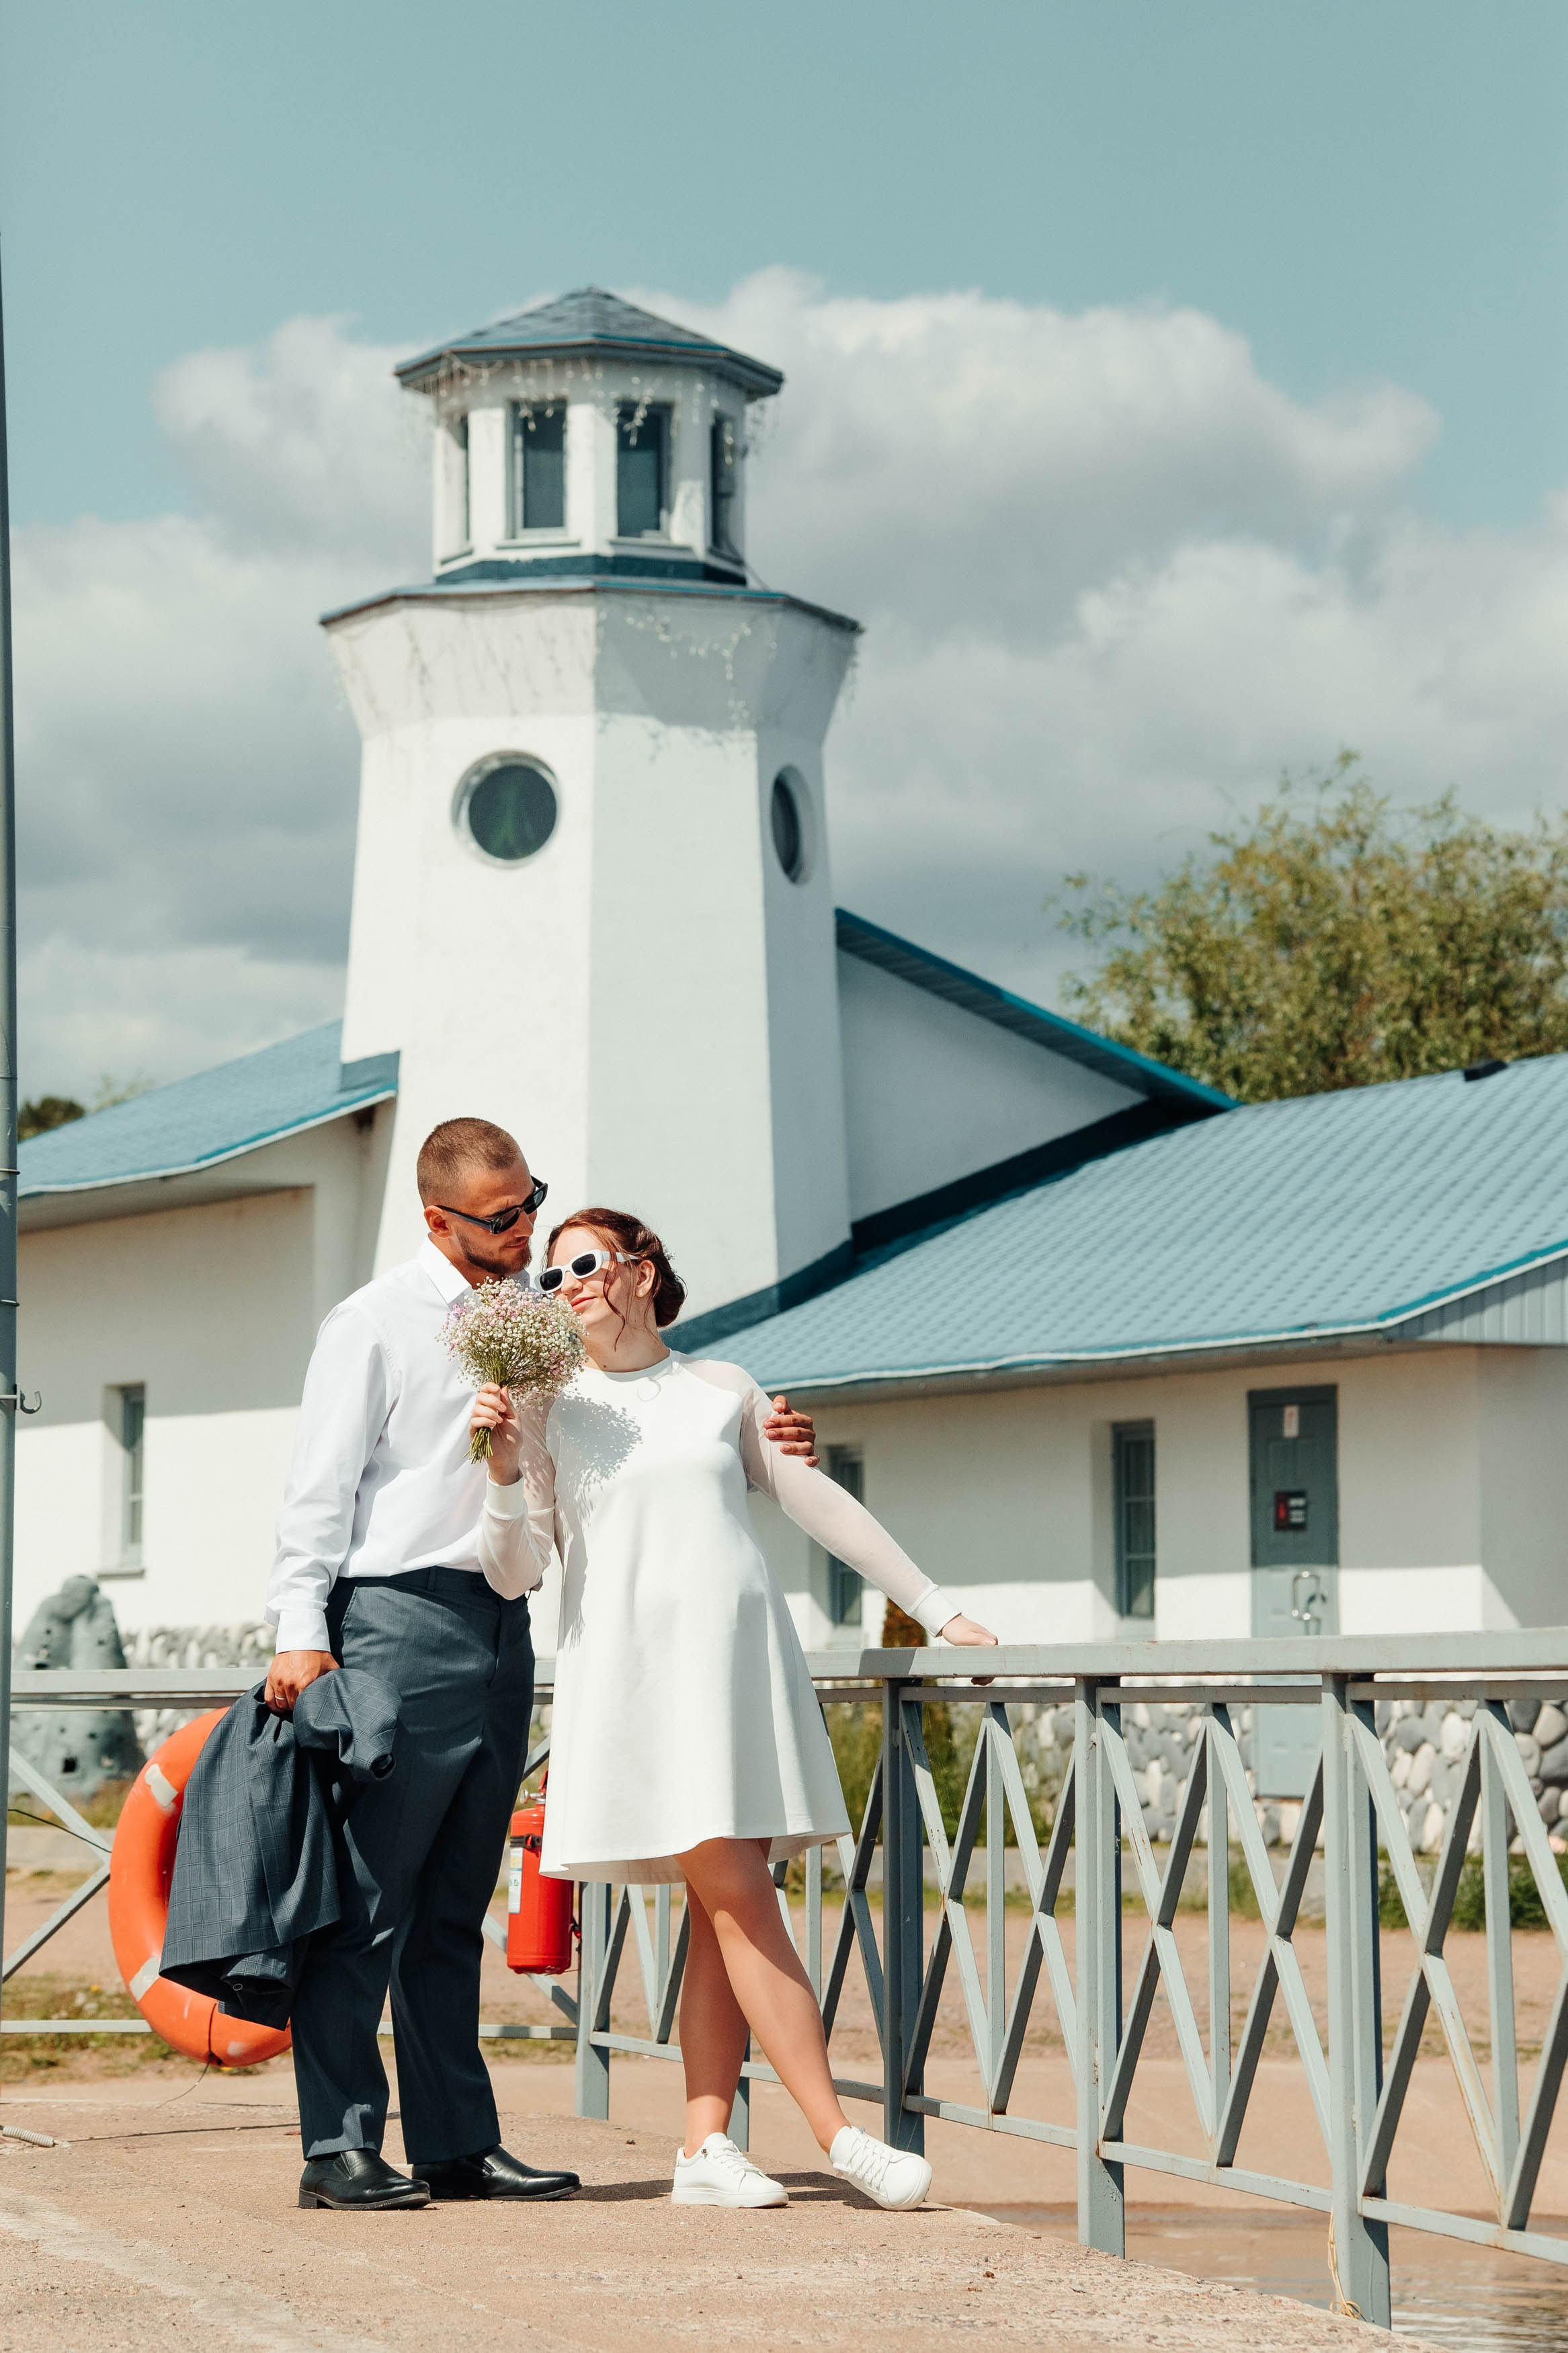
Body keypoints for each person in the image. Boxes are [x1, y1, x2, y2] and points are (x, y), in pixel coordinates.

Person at [263, 1122, 821, 2212]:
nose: (526, 1231)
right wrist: (300, 1625)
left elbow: (642, 1408)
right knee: (368, 1897)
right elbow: (319, 1488)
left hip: (505, 1619)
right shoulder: (370, 1324)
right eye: (501, 1217)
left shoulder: (537, 1319)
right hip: (390, 1618)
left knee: (453, 1900)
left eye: (531, 1205)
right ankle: (336, 2147)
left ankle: (456, 2144)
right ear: (438, 1221)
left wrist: (768, 1427)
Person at [470, 1205, 1000, 2215]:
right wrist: (499, 1472)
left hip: (738, 1675)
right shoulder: (548, 1403)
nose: (567, 1284)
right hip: (635, 1682)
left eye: (583, 1263)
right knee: (743, 1900)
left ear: (640, 1270)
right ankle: (840, 2134)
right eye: (551, 1277)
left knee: (727, 1910)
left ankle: (703, 2146)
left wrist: (940, 1609)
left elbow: (818, 1503)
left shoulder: (725, 1389)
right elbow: (512, 1573)